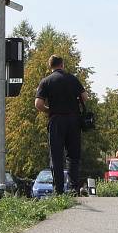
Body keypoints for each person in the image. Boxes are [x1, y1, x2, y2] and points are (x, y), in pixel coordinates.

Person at [34, 55, 88, 195]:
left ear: (50, 65)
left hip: (56, 120)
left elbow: (38, 104)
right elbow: (85, 97)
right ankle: (73, 188)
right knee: (73, 156)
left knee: (56, 156)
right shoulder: (72, 78)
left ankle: (59, 190)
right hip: (73, 120)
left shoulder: (46, 81)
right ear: (62, 64)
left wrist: (49, 110)